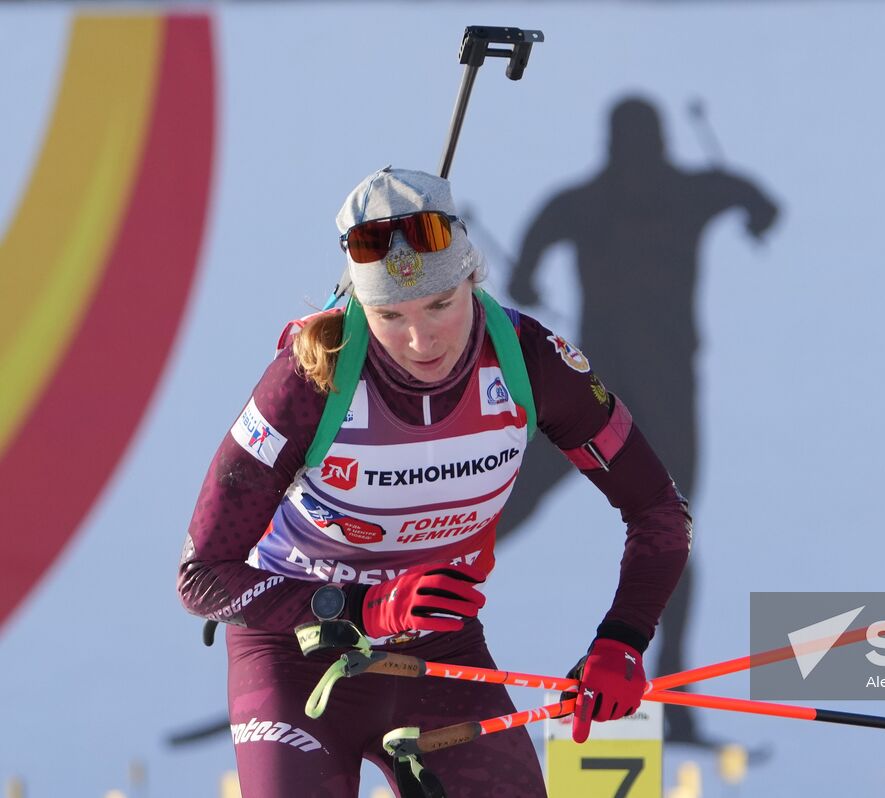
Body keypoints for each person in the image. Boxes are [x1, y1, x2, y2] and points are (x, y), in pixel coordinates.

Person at [178, 166, 692, 796]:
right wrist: (363, 606)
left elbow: (659, 513)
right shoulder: (311, 377)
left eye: (441, 304)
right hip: (295, 654)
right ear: (359, 305)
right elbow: (203, 575)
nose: (420, 340)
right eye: (389, 315)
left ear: (474, 278)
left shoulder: (531, 362)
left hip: (439, 654)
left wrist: (623, 641)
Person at [499, 97, 777, 746]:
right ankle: (672, 701)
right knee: (669, 531)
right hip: (647, 392)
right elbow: (759, 202)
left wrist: (531, 284)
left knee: (528, 506)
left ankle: (403, 606)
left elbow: (523, 268)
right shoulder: (688, 192)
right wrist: (754, 220)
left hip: (597, 395)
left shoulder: (583, 200)